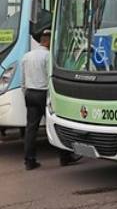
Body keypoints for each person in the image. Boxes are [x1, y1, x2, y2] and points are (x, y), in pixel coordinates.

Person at [21, 29, 82, 170]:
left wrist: (25, 91)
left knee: (31, 128)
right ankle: (65, 157)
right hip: (43, 94)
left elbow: (22, 77)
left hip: (30, 93)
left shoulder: (27, 56)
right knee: (55, 124)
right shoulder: (48, 56)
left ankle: (29, 161)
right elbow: (50, 77)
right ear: (48, 41)